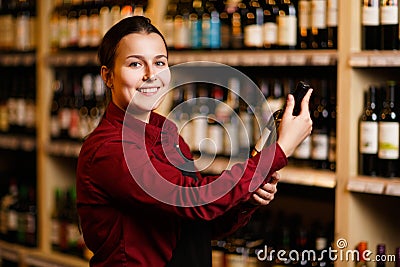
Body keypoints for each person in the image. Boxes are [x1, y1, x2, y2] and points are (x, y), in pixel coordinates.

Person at [76, 16, 313, 267]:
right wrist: (280, 150)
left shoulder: (166, 133)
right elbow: (192, 201)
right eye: (135, 64)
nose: (150, 75)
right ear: (108, 76)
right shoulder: (109, 149)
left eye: (160, 63)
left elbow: (200, 224)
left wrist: (247, 200)